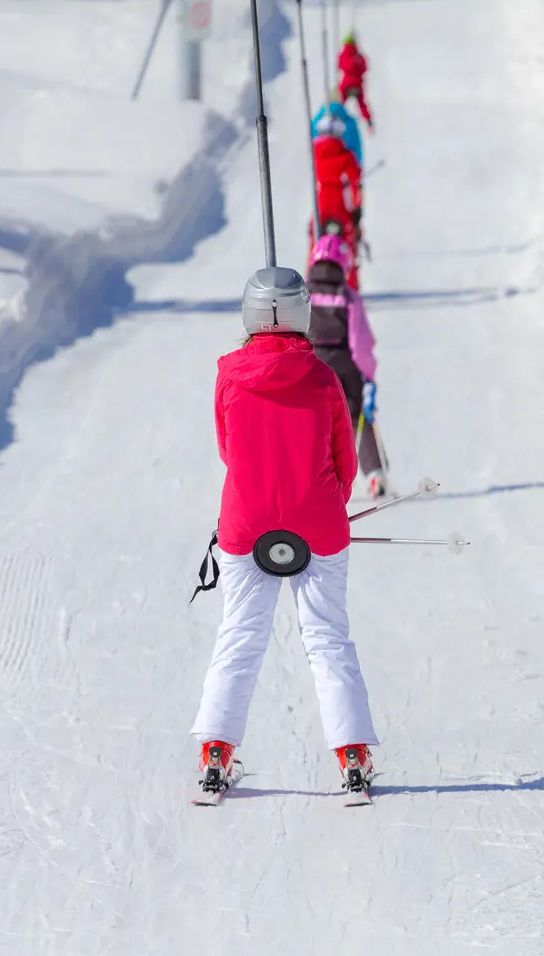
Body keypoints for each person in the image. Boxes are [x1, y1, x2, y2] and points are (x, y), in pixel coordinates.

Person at [191, 267, 378, 800]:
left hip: (245, 525)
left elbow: (228, 450)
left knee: (240, 636)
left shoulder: (229, 375)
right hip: (316, 522)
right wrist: (325, 506)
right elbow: (344, 460)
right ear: (301, 313)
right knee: (326, 637)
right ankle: (353, 758)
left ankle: (214, 754)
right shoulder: (322, 378)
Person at [308, 223, 389, 498]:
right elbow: (361, 344)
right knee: (358, 418)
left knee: (313, 422)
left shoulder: (303, 295)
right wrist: (369, 374)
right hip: (344, 364)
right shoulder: (347, 298)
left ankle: (315, 477)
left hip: (311, 366)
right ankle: (375, 474)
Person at [336, 31, 373, 129]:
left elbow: (340, 66)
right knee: (362, 103)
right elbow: (365, 69)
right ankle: (368, 120)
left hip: (346, 84)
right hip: (357, 84)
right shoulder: (359, 56)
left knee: (339, 101)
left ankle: (335, 117)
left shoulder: (343, 55)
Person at [311, 99, 363, 167]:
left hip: (321, 172)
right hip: (345, 169)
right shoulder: (349, 123)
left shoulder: (315, 123)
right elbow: (356, 144)